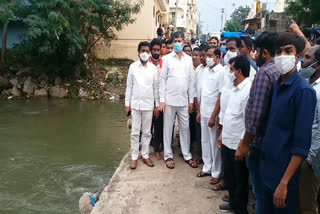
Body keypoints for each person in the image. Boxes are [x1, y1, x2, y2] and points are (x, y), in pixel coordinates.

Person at [259, 32, 316, 213]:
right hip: (268, 168)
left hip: (284, 175)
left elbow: (301, 145)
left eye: (288, 51)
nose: (282, 56)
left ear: (298, 56)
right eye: (279, 52)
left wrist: (284, 183)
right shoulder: (277, 85)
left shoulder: (303, 91)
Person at [235, 31, 280, 214]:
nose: (254, 55)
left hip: (259, 143)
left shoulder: (264, 73)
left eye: (256, 51)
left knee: (260, 194)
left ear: (264, 53)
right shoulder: (281, 71)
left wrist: (245, 143)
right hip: (275, 142)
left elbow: (256, 113)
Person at [217, 55, 252, 213]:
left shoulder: (247, 90)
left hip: (238, 143)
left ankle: (240, 209)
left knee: (240, 179)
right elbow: (228, 114)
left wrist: (242, 145)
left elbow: (247, 122)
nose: (229, 72)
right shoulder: (233, 88)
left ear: (238, 72)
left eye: (231, 69)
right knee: (230, 176)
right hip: (227, 139)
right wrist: (222, 135)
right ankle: (232, 203)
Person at [159, 31, 197, 169]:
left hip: (183, 100)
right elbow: (162, 80)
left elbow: (191, 81)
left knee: (185, 128)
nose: (177, 44)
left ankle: (187, 155)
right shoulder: (167, 59)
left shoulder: (188, 59)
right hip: (169, 100)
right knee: (168, 128)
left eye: (179, 41)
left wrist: (191, 101)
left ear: (184, 42)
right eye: (175, 41)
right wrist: (162, 100)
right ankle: (168, 156)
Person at [125, 41, 160, 169]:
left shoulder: (153, 69)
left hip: (148, 105)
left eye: (147, 51)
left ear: (150, 53)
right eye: (142, 51)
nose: (144, 53)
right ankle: (134, 157)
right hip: (135, 104)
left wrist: (156, 105)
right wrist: (127, 104)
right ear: (138, 52)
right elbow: (129, 87)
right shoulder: (132, 67)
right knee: (135, 132)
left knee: (147, 132)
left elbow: (156, 88)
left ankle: (145, 155)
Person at [196, 47, 224, 185]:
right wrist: (200, 112)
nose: (208, 57)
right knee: (205, 141)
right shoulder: (206, 71)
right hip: (204, 111)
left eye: (210, 55)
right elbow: (202, 93)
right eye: (207, 55)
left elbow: (220, 96)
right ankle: (207, 167)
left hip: (214, 113)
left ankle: (216, 171)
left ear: (218, 57)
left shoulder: (222, 72)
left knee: (214, 143)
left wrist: (214, 116)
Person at [297, 45, 320, 214]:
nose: (302, 61)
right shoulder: (307, 84)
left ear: (318, 64)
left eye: (307, 58)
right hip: (300, 152)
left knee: (307, 204)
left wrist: (310, 159)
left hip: (310, 157)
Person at [149, 38, 164, 160]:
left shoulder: (164, 64)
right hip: (147, 100)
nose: (156, 52)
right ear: (150, 50)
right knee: (146, 127)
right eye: (154, 49)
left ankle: (157, 150)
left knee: (158, 126)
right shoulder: (146, 63)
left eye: (158, 49)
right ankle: (142, 150)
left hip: (160, 101)